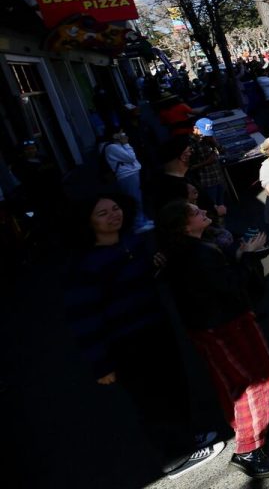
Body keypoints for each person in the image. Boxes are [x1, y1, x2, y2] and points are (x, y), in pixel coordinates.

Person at [62, 195, 225, 480]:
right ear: (87, 223)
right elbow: (84, 319)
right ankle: (177, 457)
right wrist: (102, 365)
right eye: (102, 213)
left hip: (156, 330)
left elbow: (141, 279)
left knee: (173, 386)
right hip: (126, 346)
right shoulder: (86, 266)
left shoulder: (131, 244)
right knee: (152, 400)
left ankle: (188, 438)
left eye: (115, 208)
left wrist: (153, 265)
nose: (113, 215)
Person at [156, 200, 269, 479]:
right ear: (184, 225)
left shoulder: (179, 251)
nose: (202, 211)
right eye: (196, 212)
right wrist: (247, 254)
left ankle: (246, 428)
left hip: (206, 327)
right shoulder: (198, 254)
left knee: (232, 385)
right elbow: (230, 286)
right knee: (259, 382)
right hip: (227, 324)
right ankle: (248, 449)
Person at [101, 129, 147, 231]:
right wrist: (126, 144)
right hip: (126, 175)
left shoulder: (117, 145)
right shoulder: (112, 147)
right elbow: (130, 157)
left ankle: (142, 220)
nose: (123, 134)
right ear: (114, 135)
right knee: (135, 199)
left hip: (131, 173)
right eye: (120, 133)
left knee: (138, 198)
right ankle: (138, 224)